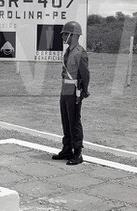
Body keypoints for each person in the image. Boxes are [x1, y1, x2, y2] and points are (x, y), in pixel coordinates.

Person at [52, 21, 90, 165]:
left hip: (74, 92)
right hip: (65, 91)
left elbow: (85, 74)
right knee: (66, 121)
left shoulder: (80, 52)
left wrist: (84, 90)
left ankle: (77, 153)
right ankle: (67, 149)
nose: (62, 37)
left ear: (73, 36)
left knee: (74, 122)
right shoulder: (68, 51)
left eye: (65, 34)